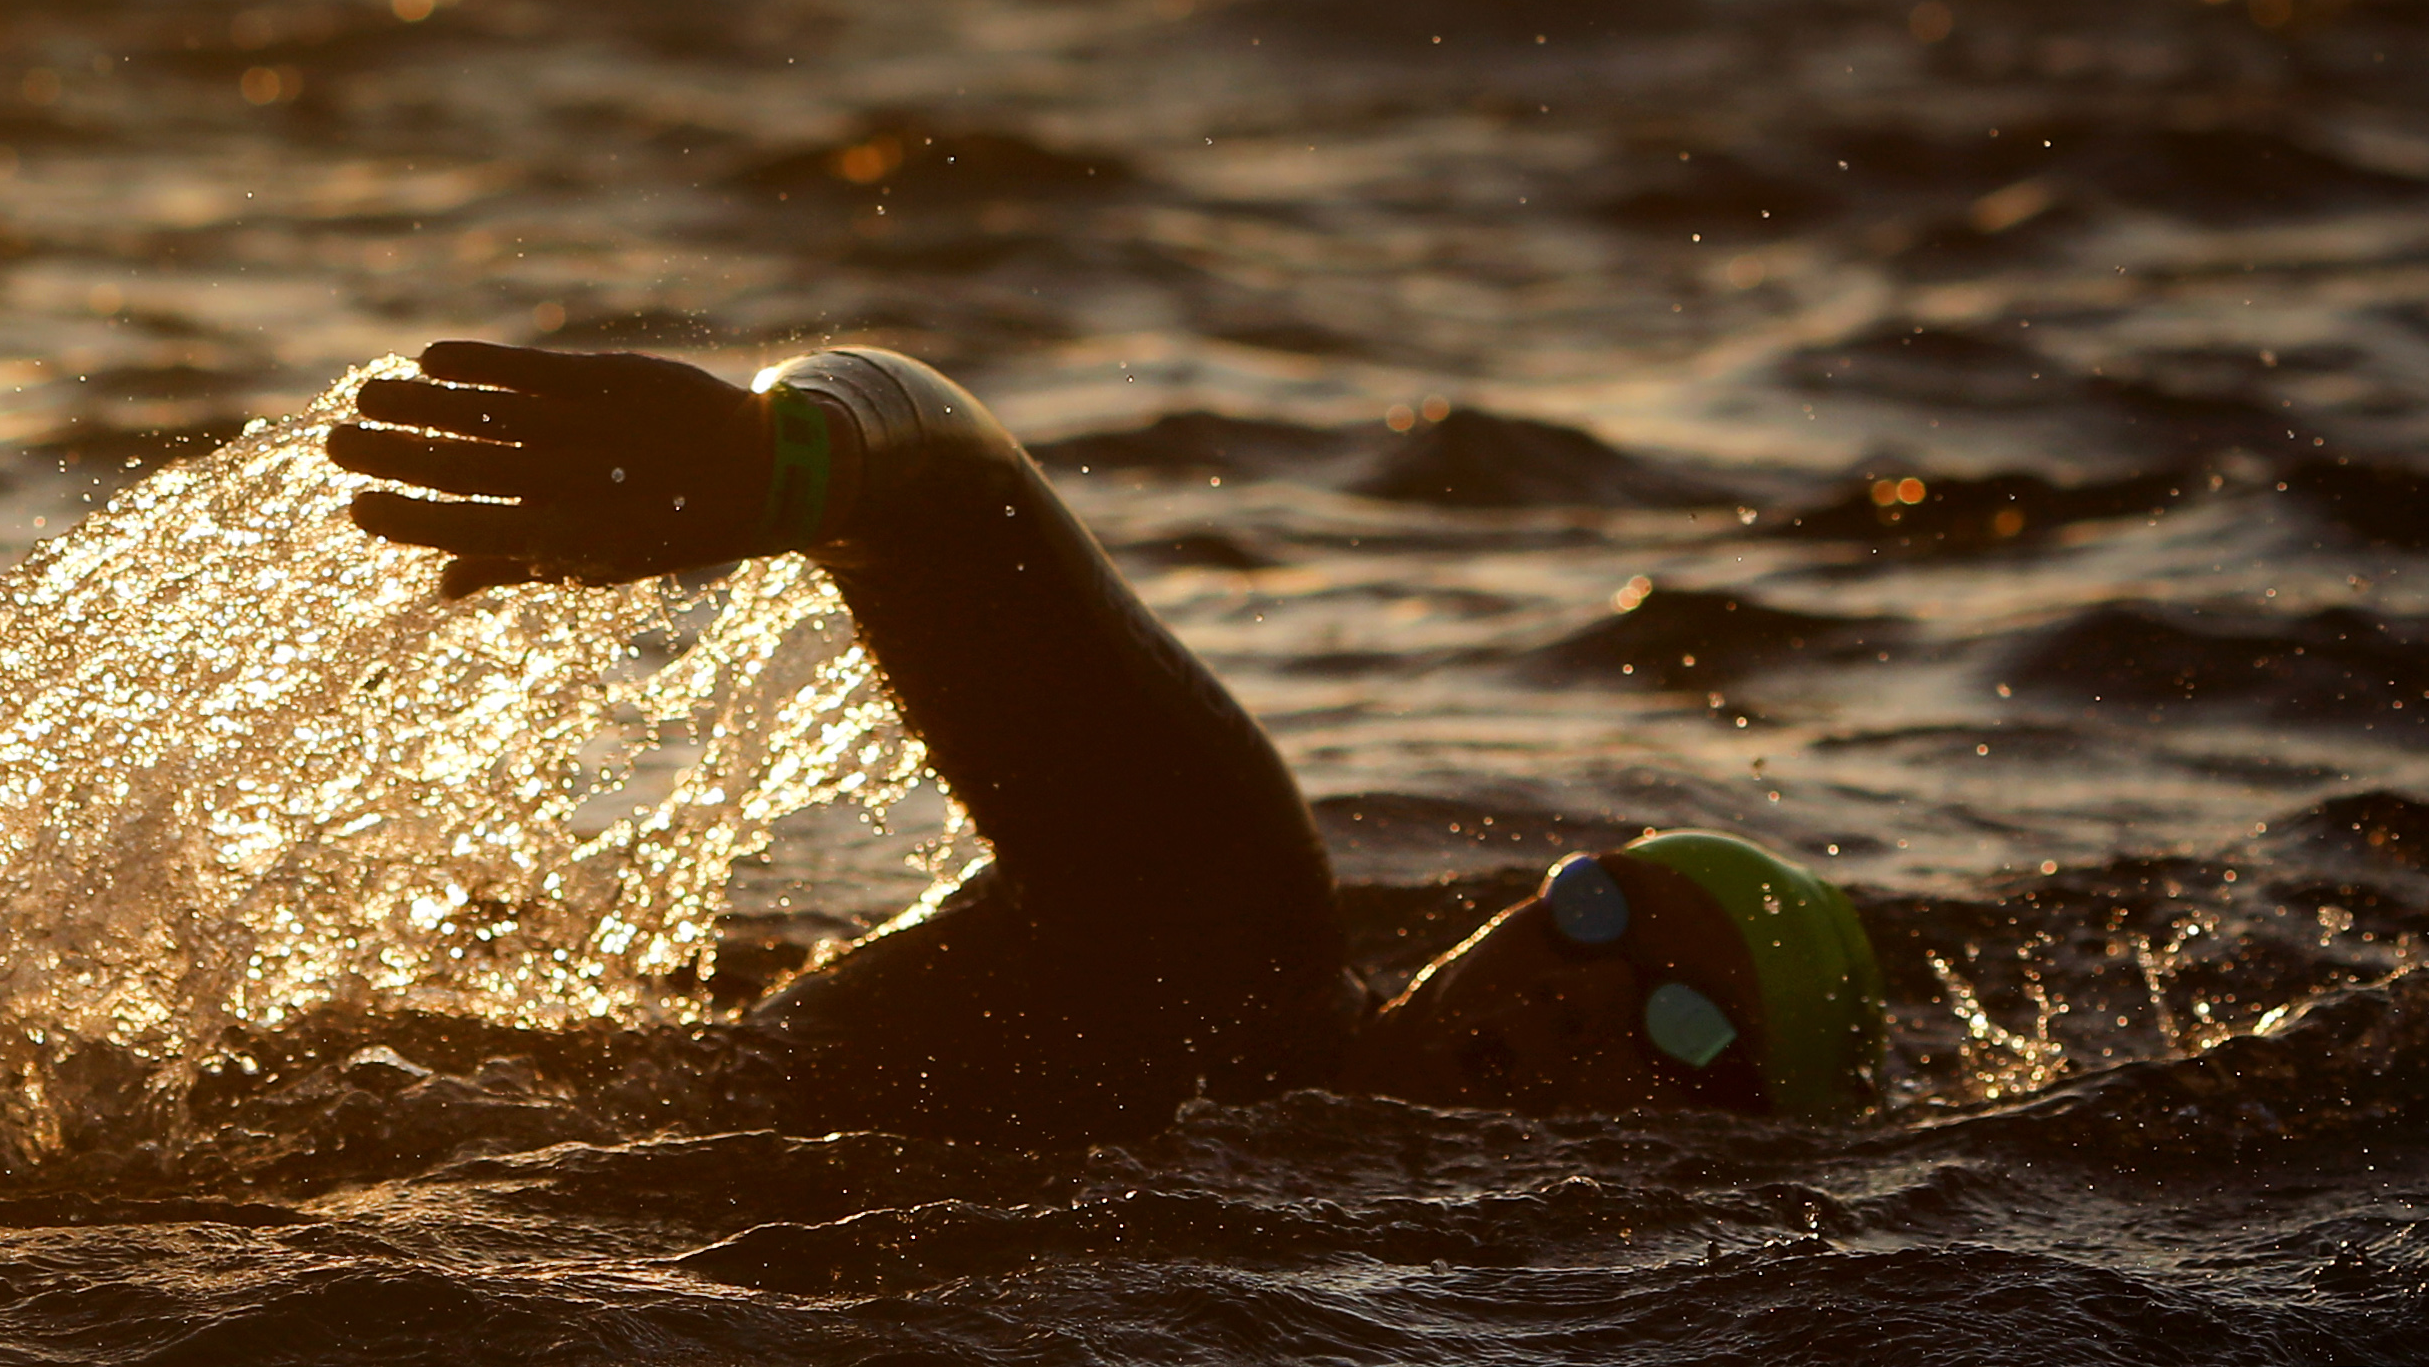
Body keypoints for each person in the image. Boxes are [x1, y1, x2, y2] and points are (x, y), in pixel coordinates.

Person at [328, 340, 1890, 1136]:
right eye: (1593, 911)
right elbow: (958, 494)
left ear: (1717, 1147)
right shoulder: (1220, 934)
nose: (1583, 991)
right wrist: (779, 465)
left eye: (1681, 1024)